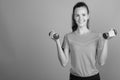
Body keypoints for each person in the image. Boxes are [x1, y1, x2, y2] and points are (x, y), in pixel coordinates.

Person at [49, 2, 116, 80]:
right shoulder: (68, 37)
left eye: (83, 15)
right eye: (77, 15)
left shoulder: (98, 36)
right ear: (74, 17)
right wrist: (57, 41)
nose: (80, 18)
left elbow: (101, 62)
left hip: (93, 78)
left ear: (88, 16)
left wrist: (106, 40)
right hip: (75, 78)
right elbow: (64, 63)